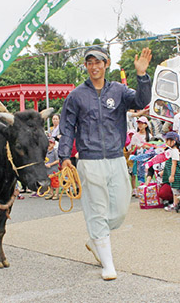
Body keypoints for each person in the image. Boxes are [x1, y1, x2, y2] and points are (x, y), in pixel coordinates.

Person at [59, 45, 152, 280]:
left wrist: (141, 76)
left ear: (106, 64)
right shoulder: (76, 95)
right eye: (90, 62)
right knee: (96, 210)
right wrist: (64, 157)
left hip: (116, 157)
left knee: (120, 209)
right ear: (86, 66)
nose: (94, 66)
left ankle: (95, 239)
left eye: (98, 62)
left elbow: (141, 101)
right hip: (89, 160)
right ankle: (108, 265)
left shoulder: (119, 91)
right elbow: (67, 127)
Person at [162, 132, 180, 211]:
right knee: (173, 189)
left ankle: (176, 204)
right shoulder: (171, 150)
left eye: (168, 140)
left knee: (175, 189)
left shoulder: (175, 151)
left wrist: (172, 175)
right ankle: (175, 203)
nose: (166, 142)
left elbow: (174, 164)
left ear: (173, 141)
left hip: (175, 173)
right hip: (172, 172)